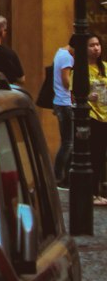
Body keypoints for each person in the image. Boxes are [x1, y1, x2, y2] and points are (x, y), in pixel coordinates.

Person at [53, 36, 75, 188]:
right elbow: (66, 81)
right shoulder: (67, 57)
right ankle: (59, 175)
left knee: (67, 142)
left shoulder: (60, 52)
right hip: (66, 103)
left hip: (59, 102)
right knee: (68, 143)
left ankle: (64, 175)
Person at [89, 35, 107, 206]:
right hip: (93, 117)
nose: (96, 48)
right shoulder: (80, 70)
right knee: (95, 156)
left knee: (102, 157)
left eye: (98, 45)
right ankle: (93, 192)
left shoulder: (105, 68)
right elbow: (74, 95)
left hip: (106, 115)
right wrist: (88, 96)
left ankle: (100, 190)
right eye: (92, 45)